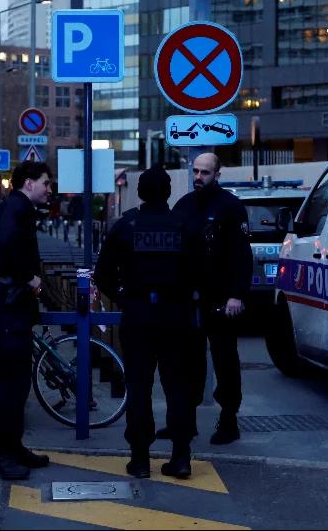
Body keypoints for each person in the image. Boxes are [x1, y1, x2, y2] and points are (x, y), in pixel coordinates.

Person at [94, 166, 201, 479]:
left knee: (139, 388)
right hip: (177, 317)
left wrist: (125, 298)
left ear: (139, 192)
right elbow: (201, 273)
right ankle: (181, 458)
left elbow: (103, 275)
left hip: (138, 317)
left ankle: (140, 459)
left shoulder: (126, 225)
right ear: (168, 193)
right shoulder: (185, 226)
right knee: (178, 388)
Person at [0, 160, 54, 480]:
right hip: (7, 305)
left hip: (6, 303)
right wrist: (30, 277)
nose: (50, 189)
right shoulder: (16, 210)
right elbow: (9, 246)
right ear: (28, 183)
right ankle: (0, 454)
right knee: (10, 382)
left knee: (15, 381)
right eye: (46, 183)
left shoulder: (14, 207)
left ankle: (10, 447)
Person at [171, 152, 252, 445]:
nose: (198, 177)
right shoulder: (184, 205)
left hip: (221, 299)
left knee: (225, 360)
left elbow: (241, 255)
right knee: (189, 362)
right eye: (195, 171)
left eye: (205, 173)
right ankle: (186, 422)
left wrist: (237, 295)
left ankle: (229, 419)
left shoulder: (230, 207)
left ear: (217, 175)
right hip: (189, 299)